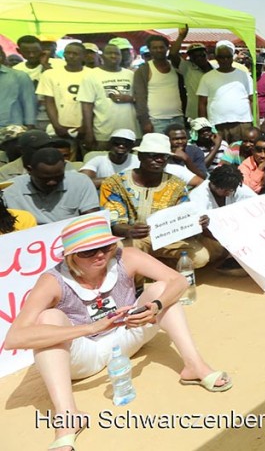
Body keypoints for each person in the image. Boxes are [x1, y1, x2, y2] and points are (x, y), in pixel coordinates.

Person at [6, 214, 231, 451]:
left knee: (162, 290)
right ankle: (68, 416)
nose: (100, 255)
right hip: (84, 353)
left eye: (106, 246)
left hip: (126, 334)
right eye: (88, 252)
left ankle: (194, 365)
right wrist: (91, 327)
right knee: (48, 318)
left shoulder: (127, 258)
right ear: (71, 256)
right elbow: (14, 338)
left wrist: (155, 306)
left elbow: (178, 281)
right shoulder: (53, 281)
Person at [100, 133, 224, 269]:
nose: (159, 160)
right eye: (153, 155)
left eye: (164, 156)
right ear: (140, 156)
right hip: (132, 238)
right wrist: (129, 230)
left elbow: (184, 216)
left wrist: (197, 222)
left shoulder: (176, 184)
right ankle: (144, 272)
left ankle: (154, 270)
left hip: (167, 238)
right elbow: (114, 224)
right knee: (118, 252)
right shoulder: (115, 183)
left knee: (201, 257)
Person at [3, 147, 100, 223]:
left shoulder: (81, 182)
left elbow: (93, 220)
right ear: (30, 170)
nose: (52, 182)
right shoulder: (9, 190)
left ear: (64, 168)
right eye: (45, 179)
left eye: (58, 177)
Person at [80, 42, 137, 152]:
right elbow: (87, 105)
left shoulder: (130, 75)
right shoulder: (91, 76)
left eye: (117, 54)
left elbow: (141, 98)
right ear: (101, 56)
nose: (113, 56)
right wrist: (89, 132)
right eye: (109, 53)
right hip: (103, 133)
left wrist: (129, 98)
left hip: (130, 132)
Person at [37, 41, 91, 157]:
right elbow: (49, 102)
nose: (71, 56)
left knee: (86, 160)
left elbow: (96, 103)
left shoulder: (93, 74)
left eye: (75, 54)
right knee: (63, 161)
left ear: (84, 56)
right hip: (61, 128)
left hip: (88, 128)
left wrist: (86, 126)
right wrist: (57, 126)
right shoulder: (50, 74)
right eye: (68, 53)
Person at [197, 44, 254, 143]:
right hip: (217, 123)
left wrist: (255, 123)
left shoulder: (244, 75)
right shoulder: (207, 77)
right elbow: (202, 103)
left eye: (228, 57)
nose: (225, 60)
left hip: (242, 122)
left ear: (232, 58)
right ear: (216, 58)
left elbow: (252, 100)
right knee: (220, 154)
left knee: (242, 153)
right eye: (222, 57)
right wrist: (204, 125)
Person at [133, 34, 185, 135]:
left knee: (179, 149)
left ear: (167, 48)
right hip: (156, 121)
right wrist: (145, 121)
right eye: (154, 48)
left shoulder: (174, 66)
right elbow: (140, 98)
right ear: (150, 49)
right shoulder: (143, 70)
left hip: (178, 118)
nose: (158, 50)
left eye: (161, 47)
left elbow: (174, 53)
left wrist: (181, 37)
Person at [13, 34, 64, 128]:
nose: (31, 55)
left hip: (58, 116)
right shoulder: (16, 70)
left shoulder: (59, 64)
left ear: (42, 49)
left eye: (35, 51)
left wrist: (45, 65)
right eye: (27, 52)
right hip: (30, 119)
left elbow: (60, 85)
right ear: (19, 51)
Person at [0, 48, 36, 131]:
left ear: (1, 56)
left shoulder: (19, 76)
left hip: (12, 129)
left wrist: (29, 126)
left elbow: (29, 103)